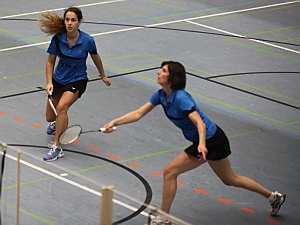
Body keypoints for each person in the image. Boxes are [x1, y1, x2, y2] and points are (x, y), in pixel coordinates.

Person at [103, 61, 286, 224]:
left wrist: (201, 144)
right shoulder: (160, 95)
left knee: (169, 172)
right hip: (208, 140)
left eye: (163, 70)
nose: (158, 72)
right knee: (230, 179)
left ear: (172, 78)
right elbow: (138, 114)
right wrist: (115, 122)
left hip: (210, 140)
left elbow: (199, 122)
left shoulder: (181, 98)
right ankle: (273, 197)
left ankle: (163, 219)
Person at [39, 7, 111, 162]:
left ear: (80, 22)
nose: (69, 23)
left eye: (73, 20)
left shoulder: (87, 40)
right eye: (67, 20)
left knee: (62, 107)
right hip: (59, 79)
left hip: (78, 79)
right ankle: (57, 122)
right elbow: (50, 61)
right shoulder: (58, 39)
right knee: (50, 116)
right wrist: (49, 82)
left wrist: (103, 75)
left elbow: (95, 57)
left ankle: (57, 147)